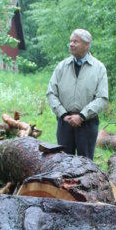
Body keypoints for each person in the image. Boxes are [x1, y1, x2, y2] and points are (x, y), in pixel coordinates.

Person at [46, 29, 108, 160]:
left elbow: (102, 98)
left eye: (75, 41)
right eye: (70, 41)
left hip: (87, 124)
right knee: (63, 162)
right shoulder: (62, 66)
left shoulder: (99, 68)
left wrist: (82, 116)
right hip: (65, 123)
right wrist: (63, 114)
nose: (71, 44)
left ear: (87, 44)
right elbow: (51, 93)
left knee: (85, 164)